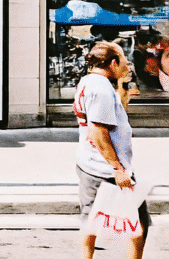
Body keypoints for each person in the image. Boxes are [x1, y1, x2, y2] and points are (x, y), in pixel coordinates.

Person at [74, 41, 149, 259]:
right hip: (105, 168)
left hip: (90, 162)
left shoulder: (89, 82)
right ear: (113, 63)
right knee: (137, 223)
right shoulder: (101, 90)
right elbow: (98, 130)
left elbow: (110, 119)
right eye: (124, 62)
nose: (127, 66)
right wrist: (117, 168)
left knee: (91, 220)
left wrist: (123, 94)